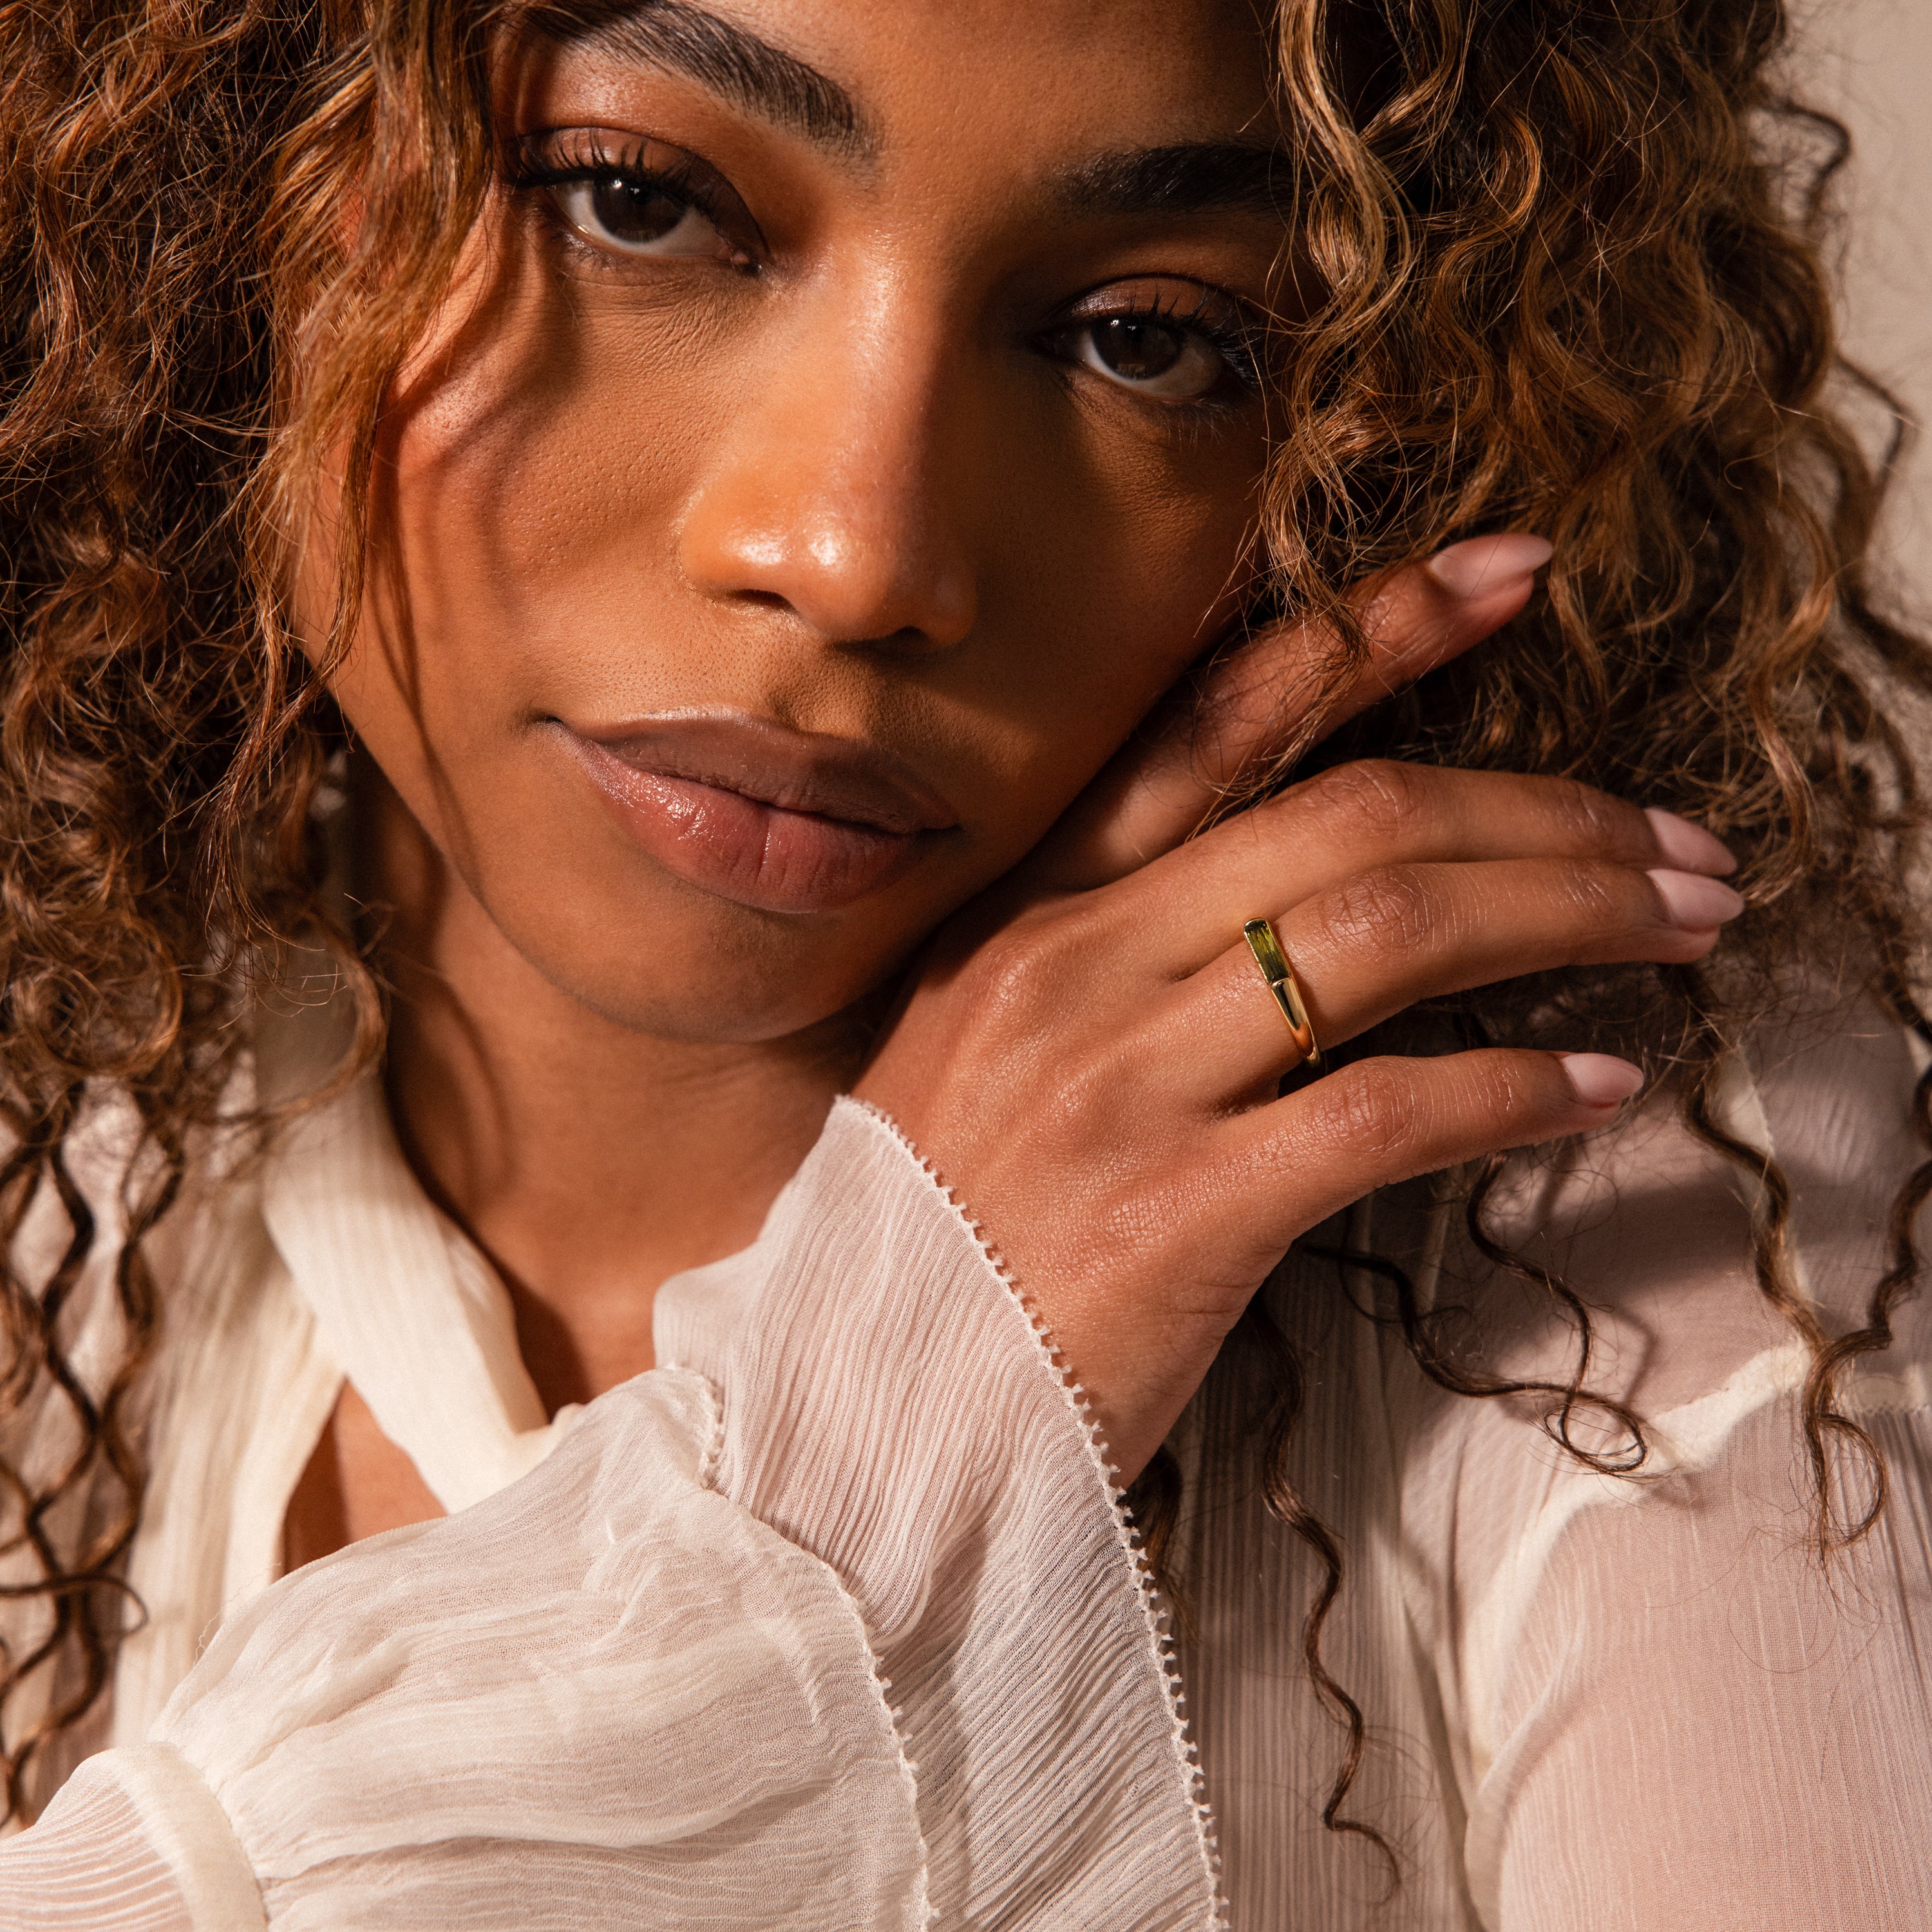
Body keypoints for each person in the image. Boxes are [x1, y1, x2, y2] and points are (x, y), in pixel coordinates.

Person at [1, 0, 1927, 1924]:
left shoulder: (1589, 1197)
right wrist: (820, 1533)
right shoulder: (68, 1116)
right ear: (238, 170)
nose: (851, 551)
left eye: (1148, 338)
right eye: (637, 207)